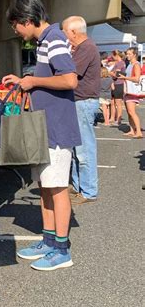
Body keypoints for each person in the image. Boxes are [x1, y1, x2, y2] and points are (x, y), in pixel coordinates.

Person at [3, 0, 81, 271]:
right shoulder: (46, 40)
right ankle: (49, 241)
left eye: (15, 25)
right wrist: (25, 83)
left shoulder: (55, 39)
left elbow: (69, 79)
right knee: (46, 186)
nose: (15, 31)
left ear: (26, 20)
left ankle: (61, 249)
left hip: (56, 129)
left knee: (57, 188)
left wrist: (33, 81)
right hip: (46, 128)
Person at [62, 16, 101, 204]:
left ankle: (88, 191)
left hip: (83, 102)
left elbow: (68, 73)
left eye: (64, 31)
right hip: (81, 102)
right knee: (79, 148)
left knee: (84, 149)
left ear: (73, 32)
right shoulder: (84, 47)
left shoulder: (86, 48)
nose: (63, 35)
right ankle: (79, 187)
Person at [117, 47, 143, 138]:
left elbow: (136, 79)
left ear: (134, 55)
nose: (127, 55)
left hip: (132, 91)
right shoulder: (130, 64)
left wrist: (124, 78)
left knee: (132, 112)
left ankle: (138, 131)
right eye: (127, 54)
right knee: (129, 112)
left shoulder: (136, 64)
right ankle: (132, 130)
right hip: (128, 90)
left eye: (129, 54)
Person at [109, 50, 126, 126]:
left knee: (118, 103)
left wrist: (109, 73)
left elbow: (116, 75)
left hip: (119, 84)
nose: (112, 57)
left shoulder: (120, 63)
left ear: (116, 55)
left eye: (113, 55)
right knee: (112, 102)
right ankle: (112, 118)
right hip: (114, 84)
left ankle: (118, 119)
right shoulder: (117, 63)